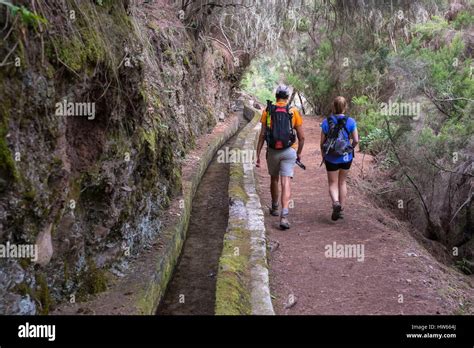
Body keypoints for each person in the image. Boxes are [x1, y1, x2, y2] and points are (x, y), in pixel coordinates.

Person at [256, 85, 305, 230]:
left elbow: (263, 135)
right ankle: (284, 216)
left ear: (276, 96)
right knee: (286, 182)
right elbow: (302, 137)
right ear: (287, 97)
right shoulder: (293, 111)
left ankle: (275, 206)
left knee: (274, 178)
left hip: (272, 151)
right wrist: (299, 153)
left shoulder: (268, 110)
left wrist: (257, 155)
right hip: (289, 151)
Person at [320, 96, 359, 221]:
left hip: (331, 157)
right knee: (342, 182)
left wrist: (323, 155)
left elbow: (322, 143)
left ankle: (335, 202)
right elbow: (356, 140)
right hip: (346, 157)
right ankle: (341, 209)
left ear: (333, 106)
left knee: (332, 182)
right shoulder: (351, 121)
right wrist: (350, 148)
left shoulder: (326, 122)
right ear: (345, 107)